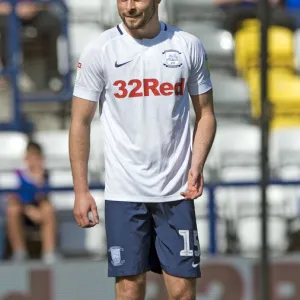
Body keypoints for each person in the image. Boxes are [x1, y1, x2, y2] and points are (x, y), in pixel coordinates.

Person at [69, 0, 216, 299]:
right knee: (129, 290)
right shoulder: (100, 50)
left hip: (175, 192)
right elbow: (80, 122)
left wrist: (197, 164)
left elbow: (207, 114)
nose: (129, 7)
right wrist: (81, 190)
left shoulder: (187, 46)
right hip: (125, 193)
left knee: (182, 292)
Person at [6, 141, 57, 264]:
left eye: (36, 157)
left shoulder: (45, 175)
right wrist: (28, 210)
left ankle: (49, 252)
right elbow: (13, 198)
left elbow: (44, 198)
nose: (33, 161)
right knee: (13, 210)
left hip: (39, 210)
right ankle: (19, 251)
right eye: (31, 157)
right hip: (22, 211)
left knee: (48, 209)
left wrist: (39, 181)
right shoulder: (17, 175)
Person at [0, 0, 62, 91]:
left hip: (35, 13)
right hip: (9, 14)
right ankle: (12, 73)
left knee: (53, 22)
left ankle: (54, 75)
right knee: (5, 24)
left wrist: (33, 8)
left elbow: (49, 4)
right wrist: (14, 9)